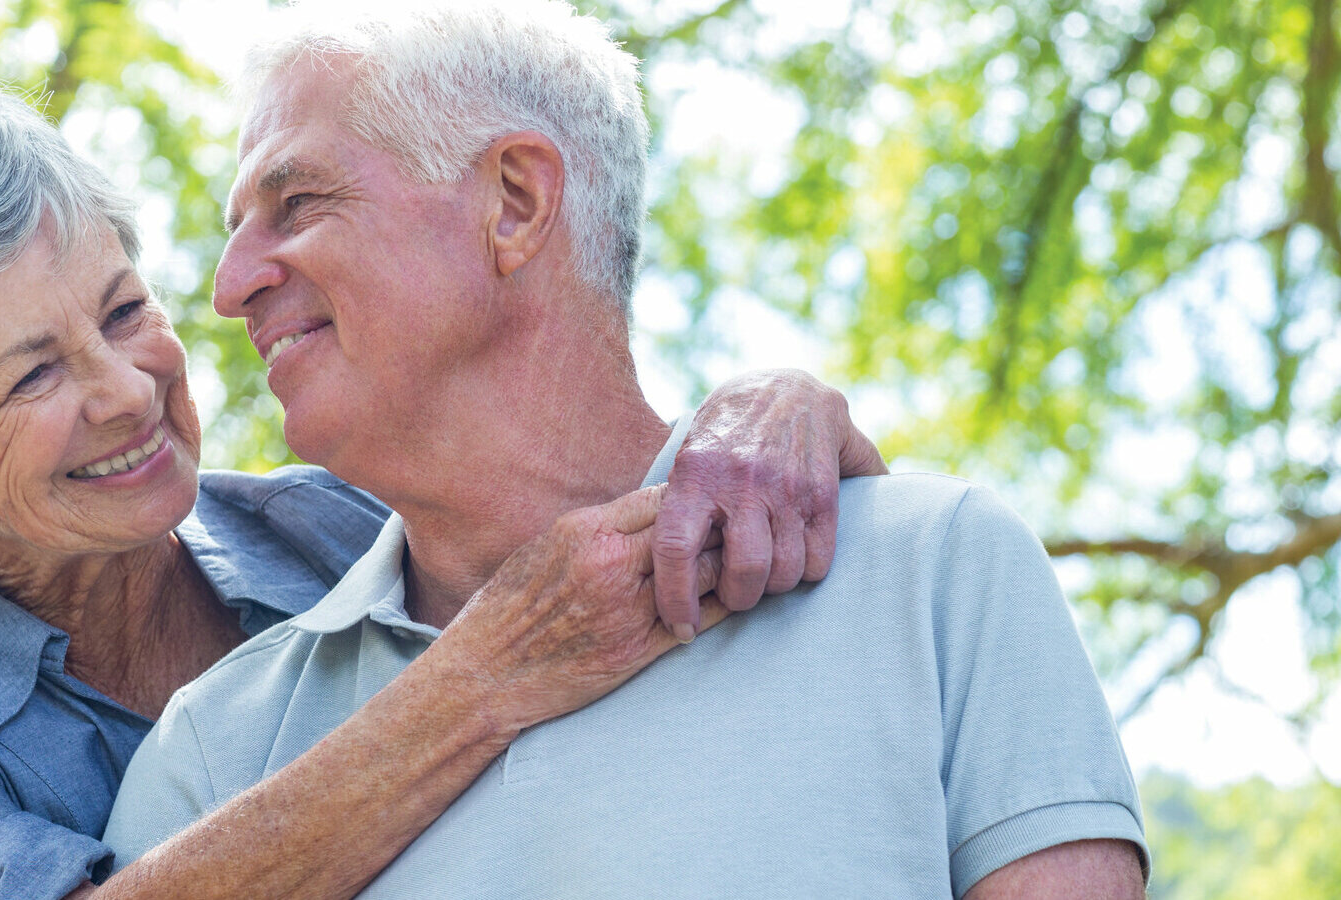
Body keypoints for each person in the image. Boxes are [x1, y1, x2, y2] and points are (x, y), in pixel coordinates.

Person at [0, 56, 889, 899]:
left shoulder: (329, 524)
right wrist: (482, 677)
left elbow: (615, 524)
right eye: (31, 377)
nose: (127, 390)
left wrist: (769, 409)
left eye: (126, 311)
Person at [101, 2, 1149, 897]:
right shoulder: (214, 753)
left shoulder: (934, 574)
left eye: (299, 203)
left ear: (515, 201)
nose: (229, 286)